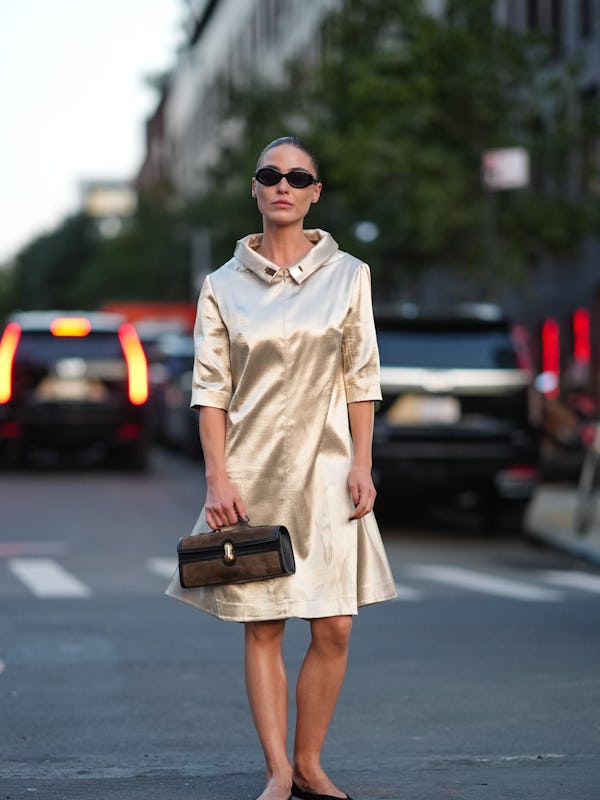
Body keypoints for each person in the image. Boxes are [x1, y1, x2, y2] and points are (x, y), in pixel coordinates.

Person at [166, 136, 397, 800]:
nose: (284, 185)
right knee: (264, 623)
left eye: (299, 176)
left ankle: (310, 763)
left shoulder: (351, 275)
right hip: (254, 474)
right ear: (256, 188)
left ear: (315, 192)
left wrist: (363, 462)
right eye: (271, 174)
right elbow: (209, 391)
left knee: (334, 624)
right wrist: (217, 478)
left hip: (329, 473)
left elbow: (361, 377)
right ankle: (276, 772)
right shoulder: (222, 287)